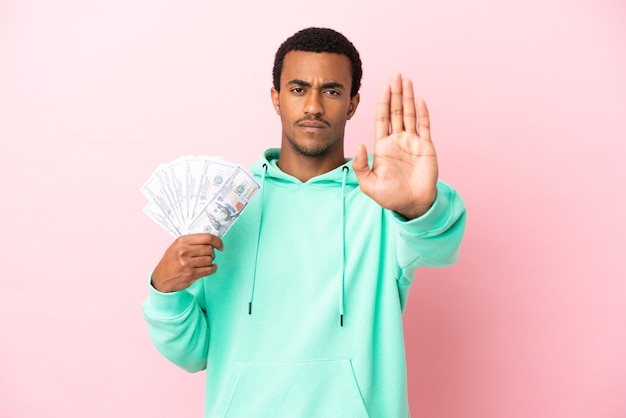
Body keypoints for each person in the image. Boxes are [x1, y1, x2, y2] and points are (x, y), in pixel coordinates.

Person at [143, 27, 466, 417]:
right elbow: (193, 353)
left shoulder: (381, 199)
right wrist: (164, 291)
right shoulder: (227, 202)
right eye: (298, 89)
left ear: (352, 104)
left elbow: (440, 245)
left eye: (330, 91)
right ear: (276, 99)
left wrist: (419, 206)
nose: (313, 106)